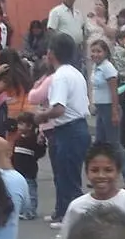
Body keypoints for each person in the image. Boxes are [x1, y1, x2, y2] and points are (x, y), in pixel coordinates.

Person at [35, 33, 91, 224]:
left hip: (70, 129)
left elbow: (58, 108)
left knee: (68, 176)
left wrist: (41, 116)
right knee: (63, 173)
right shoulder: (75, 73)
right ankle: (62, 211)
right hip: (75, 128)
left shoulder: (60, 76)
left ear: (51, 53)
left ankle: (72, 219)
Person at [57, 143, 125, 239]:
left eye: (108, 170)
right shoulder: (76, 207)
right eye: (95, 170)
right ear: (87, 172)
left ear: (118, 171)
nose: (101, 176)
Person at [11, 111, 45, 220]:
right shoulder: (18, 139)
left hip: (29, 170)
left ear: (30, 126)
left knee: (30, 192)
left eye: (22, 124)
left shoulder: (34, 139)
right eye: (19, 123)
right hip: (18, 170)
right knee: (19, 191)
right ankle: (21, 210)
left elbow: (40, 153)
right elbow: (14, 154)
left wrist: (41, 144)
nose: (19, 126)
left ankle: (31, 211)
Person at [46, 0, 85, 68]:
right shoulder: (56, 12)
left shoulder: (78, 13)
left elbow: (81, 29)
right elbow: (51, 31)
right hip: (65, 50)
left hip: (78, 49)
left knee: (77, 72)